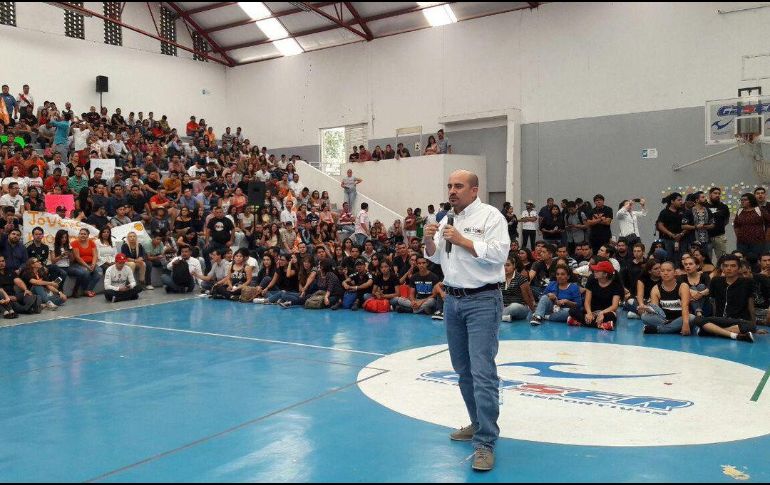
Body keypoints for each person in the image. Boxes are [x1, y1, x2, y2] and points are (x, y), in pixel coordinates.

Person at [423, 169, 509, 472]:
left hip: (483, 301)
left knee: (483, 371)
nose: (452, 191)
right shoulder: (447, 219)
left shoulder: (491, 217)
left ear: (474, 190)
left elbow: (500, 255)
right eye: (449, 186)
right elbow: (435, 257)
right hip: (453, 301)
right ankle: (476, 423)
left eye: (458, 186)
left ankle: (486, 442)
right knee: (463, 370)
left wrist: (462, 240)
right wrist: (427, 240)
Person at [693, 255, 756, 343]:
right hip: (720, 319)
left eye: (733, 266)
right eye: (726, 266)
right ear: (722, 267)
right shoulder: (716, 281)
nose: (729, 268)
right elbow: (714, 303)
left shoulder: (747, 282)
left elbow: (751, 305)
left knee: (750, 326)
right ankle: (732, 334)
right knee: (697, 319)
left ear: (739, 268)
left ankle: (714, 331)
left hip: (738, 320)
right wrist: (715, 318)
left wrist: (754, 326)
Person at [567, 260, 623, 331]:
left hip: (606, 311)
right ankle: (601, 325)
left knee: (612, 317)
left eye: (598, 271)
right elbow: (587, 301)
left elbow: (614, 306)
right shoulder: (592, 279)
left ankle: (580, 322)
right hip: (591, 310)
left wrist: (601, 313)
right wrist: (589, 313)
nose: (595, 272)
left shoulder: (616, 285)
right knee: (572, 311)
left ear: (605, 274)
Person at [640, 261, 693, 335]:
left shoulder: (683, 286)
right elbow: (656, 310)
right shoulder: (655, 289)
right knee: (644, 317)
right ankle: (674, 328)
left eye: (669, 270)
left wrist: (685, 324)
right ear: (660, 273)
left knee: (691, 317)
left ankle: (659, 329)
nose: (665, 273)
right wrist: (647, 309)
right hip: (664, 320)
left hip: (681, 318)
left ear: (674, 272)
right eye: (662, 271)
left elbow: (685, 306)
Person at [500, 257, 535, 322]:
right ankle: (504, 317)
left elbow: (527, 297)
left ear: (514, 266)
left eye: (508, 265)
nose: (505, 268)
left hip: (520, 308)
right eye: (503, 265)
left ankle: (499, 317)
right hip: (503, 307)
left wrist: (533, 311)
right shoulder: (500, 278)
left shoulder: (521, 279)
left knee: (514, 306)